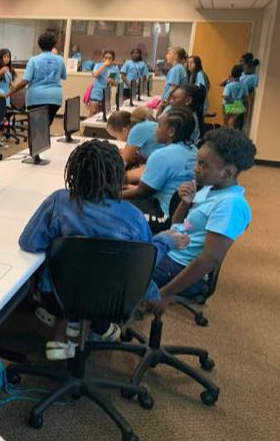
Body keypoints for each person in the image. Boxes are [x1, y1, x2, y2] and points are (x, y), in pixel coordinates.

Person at [19, 140, 188, 360]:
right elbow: (143, 265)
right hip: (114, 299)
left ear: (73, 173)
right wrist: (165, 241)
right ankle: (92, 325)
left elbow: (29, 243)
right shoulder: (133, 217)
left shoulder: (58, 202)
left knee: (75, 276)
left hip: (59, 294)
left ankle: (70, 326)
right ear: (118, 177)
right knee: (101, 276)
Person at [150, 129, 255, 313]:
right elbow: (180, 226)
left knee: (122, 270)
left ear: (227, 172)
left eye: (203, 165)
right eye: (197, 162)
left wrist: (164, 294)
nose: (195, 168)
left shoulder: (230, 205)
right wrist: (185, 203)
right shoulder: (211, 188)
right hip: (172, 251)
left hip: (179, 266)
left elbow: (210, 260)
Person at [122, 106, 197, 230]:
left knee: (113, 206)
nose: (155, 129)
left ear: (171, 131)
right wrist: (135, 188)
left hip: (164, 215)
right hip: (184, 213)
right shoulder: (194, 150)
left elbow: (142, 193)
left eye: (159, 126)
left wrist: (114, 195)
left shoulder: (162, 155)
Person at [4, 32, 67, 124]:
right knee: (45, 126)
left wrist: (8, 94)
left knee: (37, 127)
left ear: (39, 45)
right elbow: (64, 76)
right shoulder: (60, 59)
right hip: (54, 99)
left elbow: (24, 82)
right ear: (54, 44)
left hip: (37, 99)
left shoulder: (33, 60)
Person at [106, 108, 164, 183]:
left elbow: (125, 160)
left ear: (125, 131)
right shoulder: (143, 124)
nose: (117, 139)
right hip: (162, 164)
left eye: (116, 136)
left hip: (161, 167)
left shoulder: (136, 130)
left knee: (118, 177)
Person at [87, 50, 120, 116]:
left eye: (109, 58)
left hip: (107, 92)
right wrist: (104, 65)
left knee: (103, 113)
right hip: (96, 91)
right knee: (93, 112)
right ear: (103, 58)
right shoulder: (98, 65)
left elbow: (117, 83)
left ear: (113, 59)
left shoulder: (115, 69)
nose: (107, 59)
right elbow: (95, 74)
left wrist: (112, 81)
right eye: (105, 57)